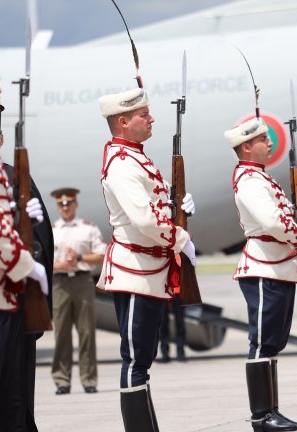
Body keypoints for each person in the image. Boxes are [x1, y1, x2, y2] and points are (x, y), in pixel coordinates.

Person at [97, 87, 196, 431]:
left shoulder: (135, 157)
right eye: (143, 115)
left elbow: (155, 208)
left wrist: (178, 207)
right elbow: (143, 220)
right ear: (123, 122)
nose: (151, 119)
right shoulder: (123, 164)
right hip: (135, 270)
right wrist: (180, 238)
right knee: (136, 359)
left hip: (148, 269)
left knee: (143, 358)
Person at [226, 117, 297, 432]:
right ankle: (262, 416)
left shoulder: (260, 178)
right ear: (247, 147)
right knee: (263, 341)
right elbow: (272, 223)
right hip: (265, 266)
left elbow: (278, 216)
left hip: (277, 266)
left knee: (272, 342)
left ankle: (271, 412)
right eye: (264, 140)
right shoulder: (251, 180)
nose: (270, 144)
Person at [0, 42, 49, 431]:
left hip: (10, 295)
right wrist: (27, 266)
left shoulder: (5, 168)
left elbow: (37, 238)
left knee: (9, 394)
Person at [50, 187, 106, 395]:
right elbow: (43, 260)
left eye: (69, 203)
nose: (65, 207)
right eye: (61, 204)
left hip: (83, 282)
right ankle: (62, 380)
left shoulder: (87, 228)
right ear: (58, 206)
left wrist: (80, 258)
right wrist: (59, 266)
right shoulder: (52, 230)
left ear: (76, 204)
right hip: (60, 283)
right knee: (61, 333)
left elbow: (101, 254)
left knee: (86, 332)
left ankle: (88, 379)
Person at [156, 274, 187, 363]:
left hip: (178, 292)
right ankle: (165, 354)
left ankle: (180, 353)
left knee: (180, 324)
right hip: (164, 290)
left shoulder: (181, 259)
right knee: (163, 324)